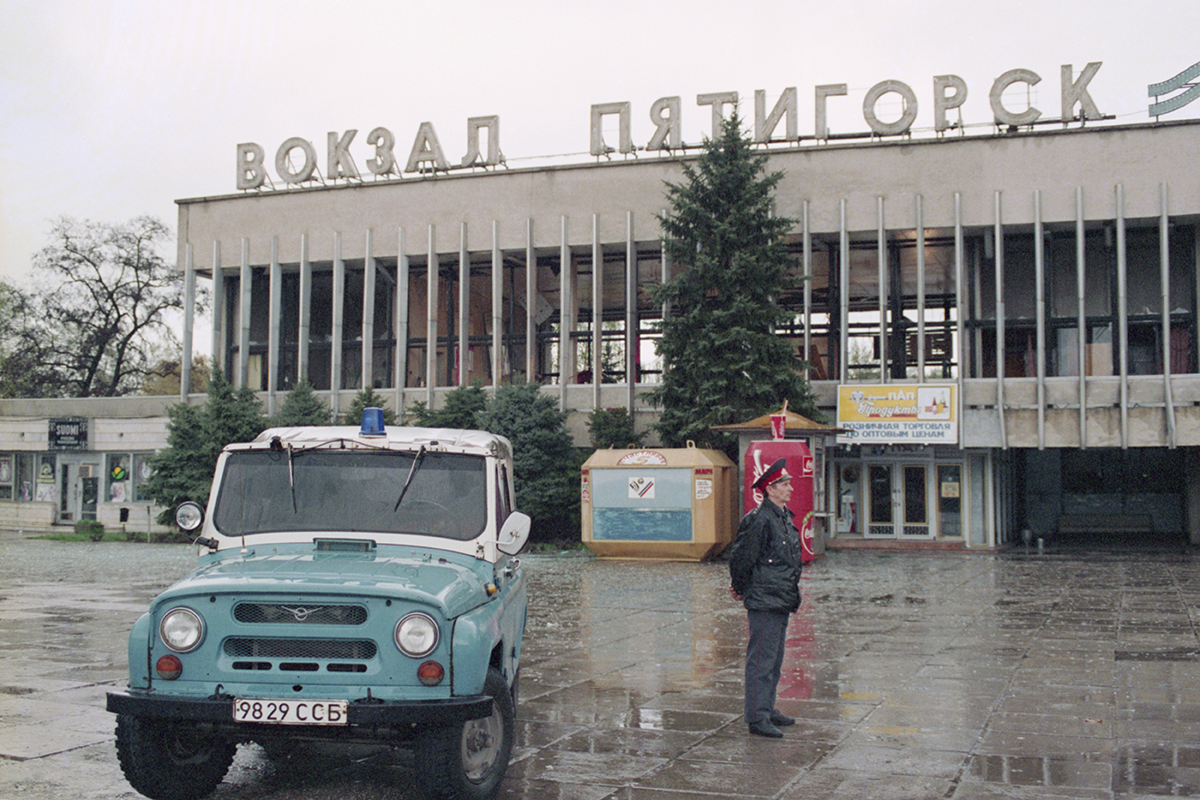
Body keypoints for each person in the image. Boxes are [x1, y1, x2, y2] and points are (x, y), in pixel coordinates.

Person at [729, 457, 803, 738]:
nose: (790, 488)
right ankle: (757, 717)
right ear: (770, 489)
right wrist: (740, 587)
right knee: (761, 659)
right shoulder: (759, 519)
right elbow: (741, 558)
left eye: (788, 484)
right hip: (764, 598)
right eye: (784, 484)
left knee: (774, 658)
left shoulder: (783, 516)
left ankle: (767, 707)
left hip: (780, 597)